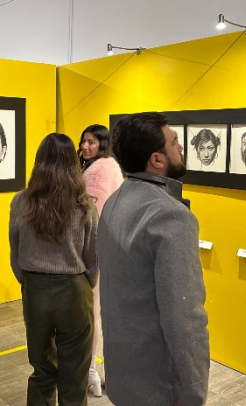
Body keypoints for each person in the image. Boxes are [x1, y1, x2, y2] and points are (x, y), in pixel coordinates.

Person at [99, 112, 209, 406]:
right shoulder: (170, 216)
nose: (181, 147)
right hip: (157, 384)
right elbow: (183, 316)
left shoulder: (114, 201)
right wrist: (194, 390)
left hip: (123, 374)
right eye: (174, 142)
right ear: (157, 160)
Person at [10, 133, 98, 406]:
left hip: (35, 288)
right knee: (75, 372)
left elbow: (15, 250)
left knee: (41, 368)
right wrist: (86, 282)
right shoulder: (85, 204)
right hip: (74, 288)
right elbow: (93, 255)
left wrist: (29, 280)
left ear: (39, 161)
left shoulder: (21, 201)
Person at [77, 124, 123, 398]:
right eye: (83, 141)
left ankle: (90, 370)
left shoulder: (97, 173)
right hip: (110, 251)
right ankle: (107, 373)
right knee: (103, 312)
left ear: (103, 144)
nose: (85, 146)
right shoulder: (112, 167)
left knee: (91, 313)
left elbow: (91, 219)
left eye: (91, 142)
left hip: (94, 253)